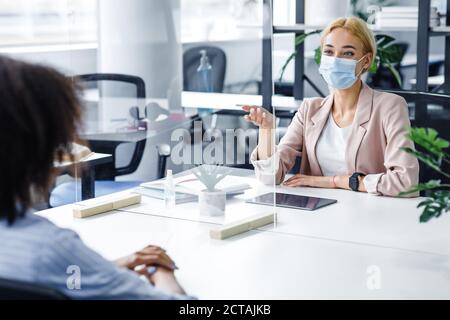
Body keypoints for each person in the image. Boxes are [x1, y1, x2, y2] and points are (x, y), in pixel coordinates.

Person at [0, 55, 192, 300]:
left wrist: (106, 270)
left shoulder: (44, 255)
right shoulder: (50, 248)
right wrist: (162, 271)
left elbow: (49, 278)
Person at [243, 17, 419, 197]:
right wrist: (266, 131)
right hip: (319, 211)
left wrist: (335, 181)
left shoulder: (390, 106)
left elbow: (406, 183)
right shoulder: (309, 109)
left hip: (369, 213)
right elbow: (270, 177)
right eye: (329, 51)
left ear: (366, 61)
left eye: (348, 53)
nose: (335, 60)